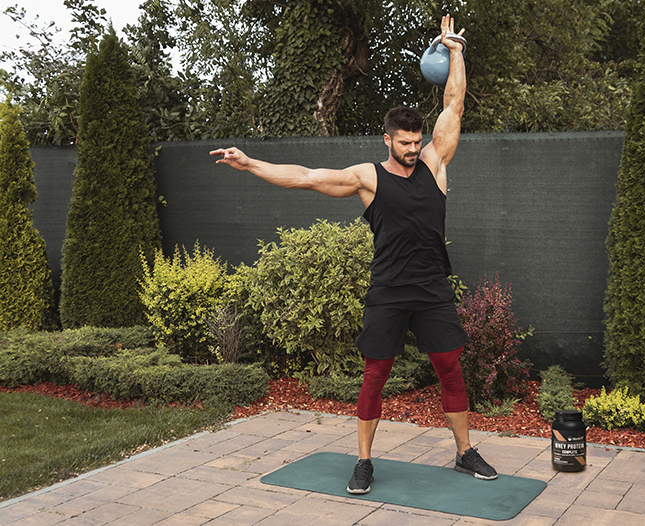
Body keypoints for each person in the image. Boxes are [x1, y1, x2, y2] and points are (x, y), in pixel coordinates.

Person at [210, 15, 497, 495]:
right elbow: (305, 175)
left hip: (431, 287)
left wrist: (456, 52)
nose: (412, 149)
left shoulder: (435, 163)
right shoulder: (367, 177)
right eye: (404, 143)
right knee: (375, 374)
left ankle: (465, 452)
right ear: (387, 139)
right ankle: (363, 461)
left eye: (416, 141)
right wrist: (250, 163)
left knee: (450, 367)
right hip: (388, 289)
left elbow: (455, 104)